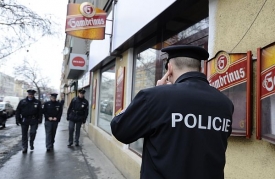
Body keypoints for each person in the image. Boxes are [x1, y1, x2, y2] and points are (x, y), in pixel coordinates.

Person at [110, 45, 234, 179]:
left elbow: (120, 129)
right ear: (201, 69)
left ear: (169, 68)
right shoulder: (225, 103)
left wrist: (154, 94)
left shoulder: (154, 97)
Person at [16, 89, 42, 153]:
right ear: (28, 94)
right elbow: (18, 111)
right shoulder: (22, 102)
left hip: (34, 119)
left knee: (33, 132)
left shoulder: (37, 102)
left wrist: (40, 119)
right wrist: (17, 119)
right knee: (24, 134)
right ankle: (24, 147)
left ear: (33, 95)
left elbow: (40, 112)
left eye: (32, 94)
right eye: (30, 94)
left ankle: (31, 142)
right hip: (25, 119)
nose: (30, 95)